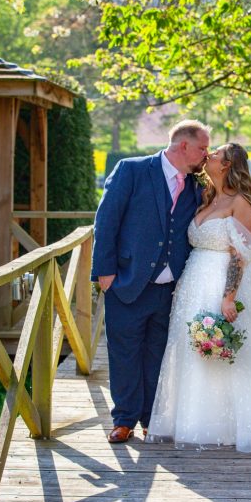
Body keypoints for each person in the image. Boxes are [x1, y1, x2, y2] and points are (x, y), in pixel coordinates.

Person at [147, 143, 251, 452]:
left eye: (217, 153)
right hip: (194, 283)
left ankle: (237, 423)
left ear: (228, 165)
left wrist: (229, 298)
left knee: (228, 350)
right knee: (194, 348)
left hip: (223, 283)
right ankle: (194, 421)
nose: (209, 155)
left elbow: (239, 257)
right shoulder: (207, 197)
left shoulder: (242, 202)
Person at [91, 120, 211, 443]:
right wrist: (104, 273)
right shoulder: (132, 170)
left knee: (156, 353)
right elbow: (106, 220)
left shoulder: (197, 185)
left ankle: (150, 419)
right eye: (202, 148)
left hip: (169, 288)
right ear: (183, 145)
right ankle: (124, 419)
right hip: (127, 281)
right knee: (124, 352)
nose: (206, 154)